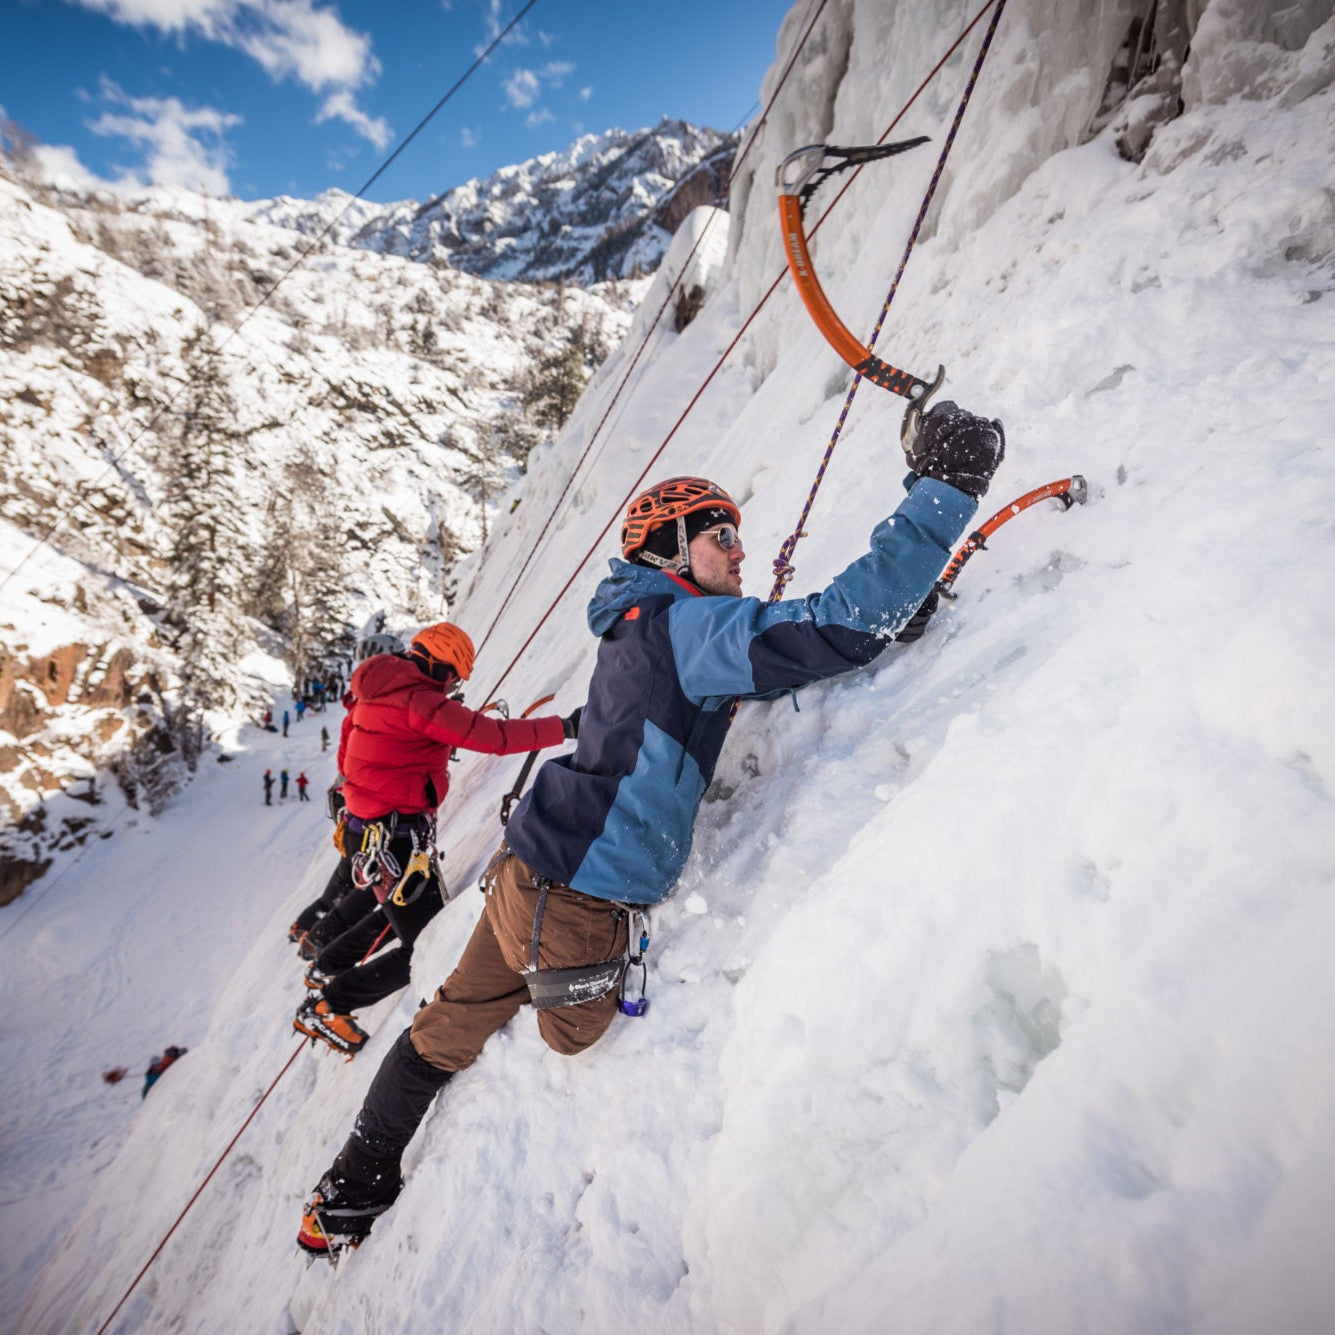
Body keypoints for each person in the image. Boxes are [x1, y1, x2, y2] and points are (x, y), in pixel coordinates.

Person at [296, 401, 1005, 1257]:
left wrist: (869, 631)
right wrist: (945, 488)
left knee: (442, 1028)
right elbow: (831, 624)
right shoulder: (682, 625)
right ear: (671, 550)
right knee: (571, 1031)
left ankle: (346, 1189)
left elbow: (755, 666)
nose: (740, 553)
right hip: (584, 896)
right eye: (721, 538)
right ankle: (503, 1016)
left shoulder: (638, 625)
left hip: (529, 867)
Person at [292, 620, 577, 1068]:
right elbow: (496, 738)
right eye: (453, 678)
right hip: (394, 838)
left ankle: (326, 969)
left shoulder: (377, 688)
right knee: (424, 942)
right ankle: (331, 1003)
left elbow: (357, 753)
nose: (452, 688)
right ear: (443, 669)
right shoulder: (420, 701)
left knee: (401, 917)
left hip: (371, 830)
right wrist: (565, 726)